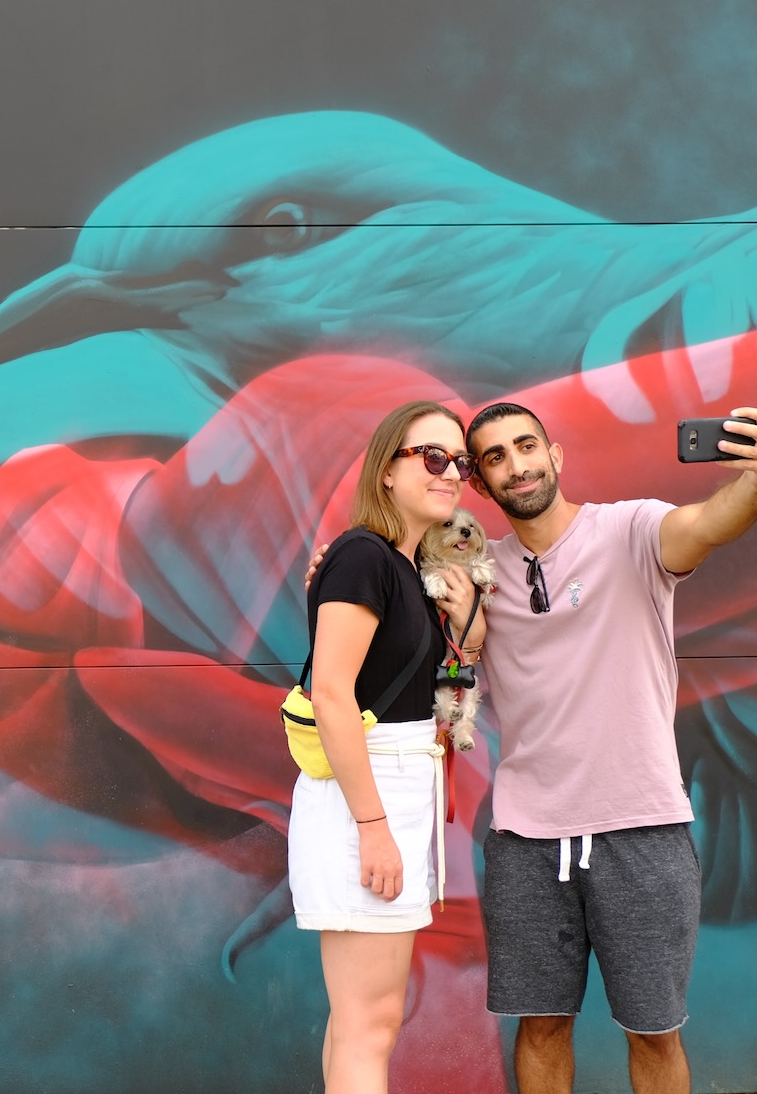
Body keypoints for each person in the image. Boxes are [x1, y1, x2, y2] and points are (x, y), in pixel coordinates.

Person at [465, 399, 757, 1094]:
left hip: (641, 828)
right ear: (481, 486)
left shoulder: (630, 531)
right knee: (540, 1026)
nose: (517, 464)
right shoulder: (474, 574)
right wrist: (336, 575)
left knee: (654, 1031)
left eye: (526, 446)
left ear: (555, 455)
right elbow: (394, 603)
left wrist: (754, 483)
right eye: (495, 457)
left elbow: (705, 524)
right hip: (526, 837)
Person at [290, 400, 482, 1094]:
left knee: (360, 1022)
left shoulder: (402, 567)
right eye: (432, 457)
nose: (452, 472)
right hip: (365, 799)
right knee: (370, 1023)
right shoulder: (363, 557)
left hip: (390, 793)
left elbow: (433, 685)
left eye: (458, 462)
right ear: (388, 471)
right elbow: (334, 696)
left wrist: (468, 625)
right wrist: (374, 828)